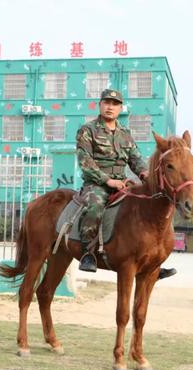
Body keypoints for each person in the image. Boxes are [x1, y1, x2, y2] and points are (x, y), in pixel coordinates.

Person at [75, 88, 176, 280]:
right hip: (97, 184)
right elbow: (85, 162)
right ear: (100, 105)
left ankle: (154, 261)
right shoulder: (87, 131)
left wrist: (146, 175)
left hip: (122, 183)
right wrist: (108, 181)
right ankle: (88, 253)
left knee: (156, 204)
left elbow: (136, 159)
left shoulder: (125, 134)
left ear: (120, 108)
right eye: (106, 103)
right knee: (95, 206)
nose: (110, 107)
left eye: (115, 104)